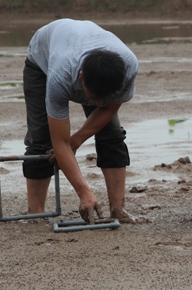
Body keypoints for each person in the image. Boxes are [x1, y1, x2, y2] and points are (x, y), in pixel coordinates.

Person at [22, 18, 138, 224]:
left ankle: (118, 209)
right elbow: (60, 142)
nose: (99, 102)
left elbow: (109, 108)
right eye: (94, 97)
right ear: (82, 77)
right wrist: (84, 192)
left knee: (112, 134)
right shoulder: (60, 75)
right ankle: (35, 213)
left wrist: (76, 140)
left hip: (85, 50)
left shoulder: (128, 67)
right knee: (41, 139)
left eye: (105, 97)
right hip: (43, 57)